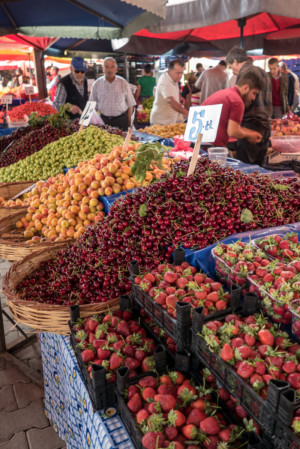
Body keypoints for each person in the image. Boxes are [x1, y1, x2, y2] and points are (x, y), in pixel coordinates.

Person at [226, 46, 272, 165]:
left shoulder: (245, 74)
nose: (232, 71)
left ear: (235, 61)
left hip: (250, 126)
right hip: (266, 126)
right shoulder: (262, 71)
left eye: (231, 67)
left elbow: (242, 102)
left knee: (246, 171)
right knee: (259, 169)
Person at [201, 70, 264, 148]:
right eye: (254, 93)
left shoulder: (225, 93)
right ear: (246, 88)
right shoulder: (237, 101)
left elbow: (233, 127)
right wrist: (250, 135)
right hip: (211, 146)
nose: (253, 98)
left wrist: (249, 132)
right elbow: (233, 132)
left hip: (200, 143)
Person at [90, 57, 136, 131]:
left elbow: (131, 104)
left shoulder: (123, 83)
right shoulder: (97, 84)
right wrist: (92, 123)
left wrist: (130, 123)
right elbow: (92, 105)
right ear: (103, 68)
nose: (109, 70)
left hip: (121, 121)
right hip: (103, 121)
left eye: (112, 67)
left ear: (116, 69)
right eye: (107, 67)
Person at [150, 59, 188, 125]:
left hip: (170, 121)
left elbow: (170, 91)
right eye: (178, 73)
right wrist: (185, 112)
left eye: (182, 73)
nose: (180, 76)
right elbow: (170, 100)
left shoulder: (174, 79)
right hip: (160, 123)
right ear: (170, 71)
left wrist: (179, 97)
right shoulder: (164, 81)